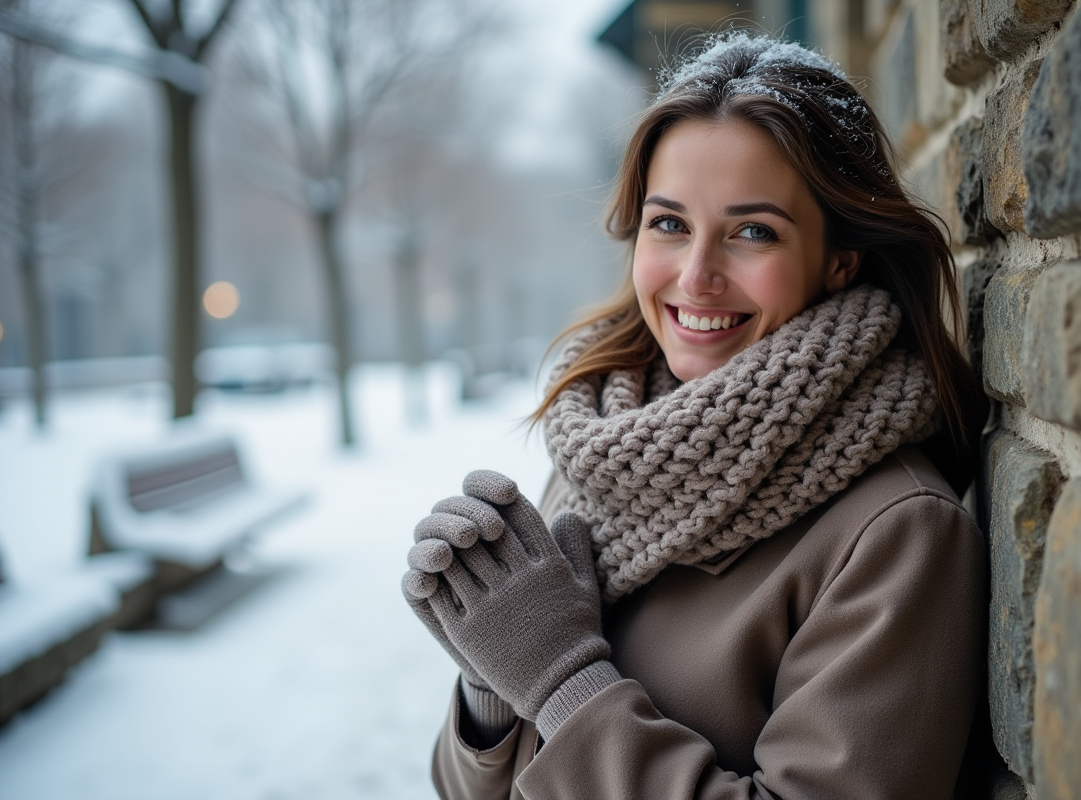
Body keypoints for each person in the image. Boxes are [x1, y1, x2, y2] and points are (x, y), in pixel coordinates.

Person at [403, 31, 989, 800]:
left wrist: (558, 680)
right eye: (670, 224)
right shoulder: (602, 446)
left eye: (753, 232)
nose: (696, 275)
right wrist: (494, 682)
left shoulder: (898, 532)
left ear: (838, 258)